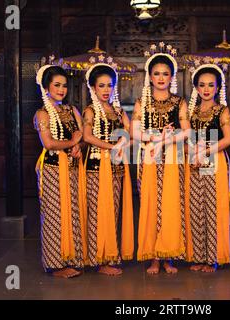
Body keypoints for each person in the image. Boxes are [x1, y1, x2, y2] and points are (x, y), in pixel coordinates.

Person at [131, 42, 190, 274]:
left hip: (173, 158)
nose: (161, 77)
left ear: (172, 76)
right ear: (150, 77)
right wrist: (157, 137)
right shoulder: (141, 103)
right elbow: (135, 133)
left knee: (171, 204)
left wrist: (167, 139)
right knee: (150, 203)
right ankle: (154, 257)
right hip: (149, 157)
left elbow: (186, 131)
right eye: (157, 73)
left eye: (166, 73)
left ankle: (169, 256)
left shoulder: (179, 103)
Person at [33, 63, 87, 278]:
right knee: (55, 215)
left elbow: (81, 137)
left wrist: (77, 146)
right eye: (57, 85)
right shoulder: (42, 113)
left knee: (73, 213)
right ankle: (55, 265)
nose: (61, 90)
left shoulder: (71, 110)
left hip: (73, 168)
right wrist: (71, 141)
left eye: (64, 85)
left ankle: (72, 258)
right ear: (46, 87)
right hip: (52, 170)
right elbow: (48, 143)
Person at [82, 61, 134, 276]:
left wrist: (123, 145)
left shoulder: (119, 111)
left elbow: (131, 135)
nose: (106, 90)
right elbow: (87, 136)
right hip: (95, 166)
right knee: (96, 211)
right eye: (101, 86)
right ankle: (96, 258)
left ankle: (109, 255)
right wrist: (112, 146)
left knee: (113, 211)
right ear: (93, 88)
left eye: (109, 85)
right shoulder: (90, 111)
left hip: (116, 166)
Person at [185, 63, 230, 273]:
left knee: (213, 209)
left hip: (213, 161)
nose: (206, 89)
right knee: (196, 208)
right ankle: (199, 256)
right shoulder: (192, 112)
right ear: (196, 87)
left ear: (217, 88)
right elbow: (186, 140)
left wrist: (204, 152)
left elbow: (229, 139)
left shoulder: (222, 110)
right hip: (194, 163)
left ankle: (212, 258)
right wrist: (191, 153)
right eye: (202, 85)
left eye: (211, 85)